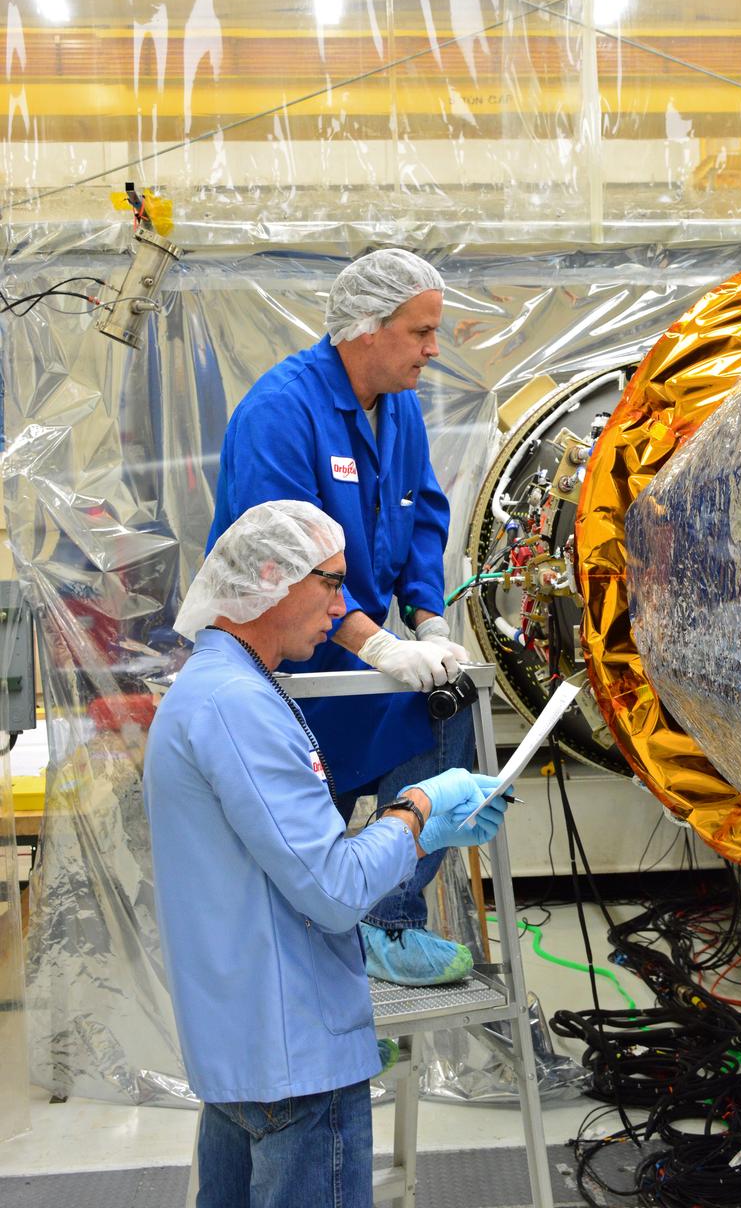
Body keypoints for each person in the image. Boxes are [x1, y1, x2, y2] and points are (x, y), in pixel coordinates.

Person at [143, 502, 507, 1208]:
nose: (343, 607)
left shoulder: (219, 690)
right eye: (331, 583)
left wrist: (422, 834)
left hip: (247, 1053)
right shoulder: (237, 706)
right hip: (294, 1063)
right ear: (273, 578)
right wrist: (418, 810)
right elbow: (335, 890)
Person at [207, 248, 478, 986]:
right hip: (282, 662)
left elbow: (423, 516)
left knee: (451, 716)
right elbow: (288, 565)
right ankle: (306, 961)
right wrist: (378, 646)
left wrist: (427, 623)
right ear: (366, 328)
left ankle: (386, 921)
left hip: (356, 654)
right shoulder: (279, 413)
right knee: (296, 828)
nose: (432, 349)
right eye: (420, 331)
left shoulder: (399, 411)